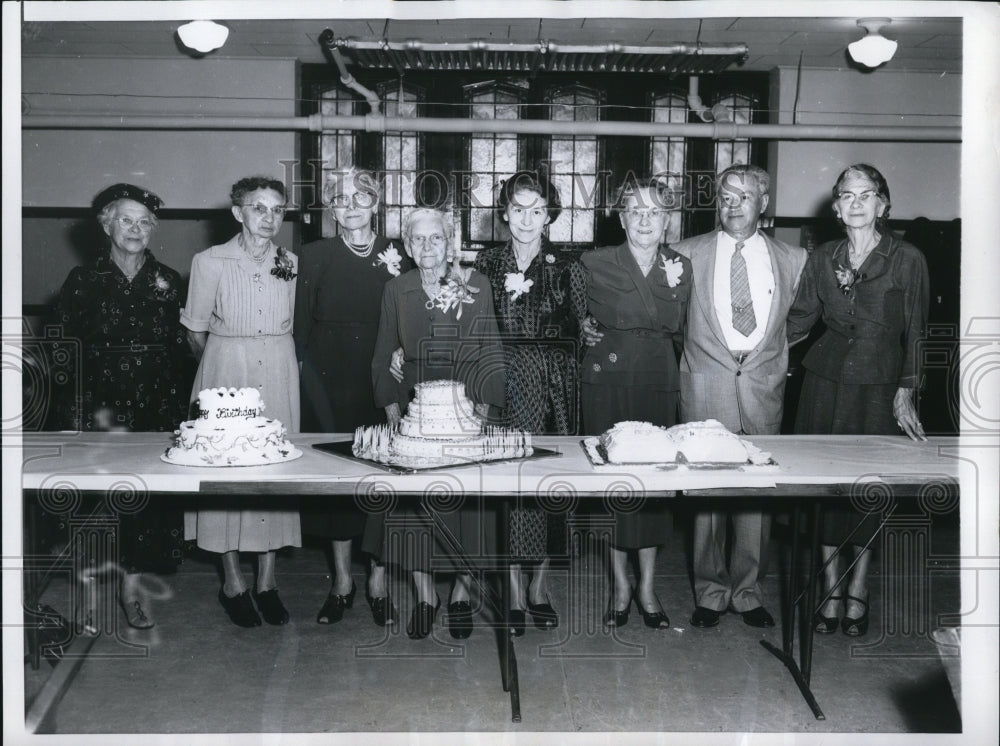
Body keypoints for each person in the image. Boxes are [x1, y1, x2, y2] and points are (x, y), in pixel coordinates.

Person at [787, 163, 928, 637]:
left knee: (868, 492)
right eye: (847, 195)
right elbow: (800, 320)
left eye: (866, 195)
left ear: (883, 205)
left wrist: (905, 392)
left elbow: (918, 333)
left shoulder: (907, 258)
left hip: (878, 386)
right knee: (824, 490)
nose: (857, 202)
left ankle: (858, 591)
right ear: (836, 206)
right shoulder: (823, 256)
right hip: (822, 384)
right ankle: (828, 590)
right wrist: (750, 351)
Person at [672, 163, 808, 630]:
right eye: (725, 197)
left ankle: (748, 592)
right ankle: (709, 592)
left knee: (755, 496)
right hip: (704, 389)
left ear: (763, 204)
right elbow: (670, 323)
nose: (732, 205)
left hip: (762, 389)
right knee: (708, 497)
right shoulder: (685, 254)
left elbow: (800, 322)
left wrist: (766, 357)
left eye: (743, 197)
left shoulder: (793, 260)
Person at [51, 182, 189, 630]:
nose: (135, 228)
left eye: (145, 221)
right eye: (126, 220)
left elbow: (184, 347)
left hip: (156, 401)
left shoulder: (170, 280)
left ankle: (131, 593)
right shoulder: (83, 279)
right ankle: (88, 596)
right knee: (95, 501)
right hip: (98, 404)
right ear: (107, 224)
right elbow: (61, 348)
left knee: (143, 500)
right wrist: (68, 412)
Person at [369, 206, 505, 640]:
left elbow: (491, 351)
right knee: (414, 511)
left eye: (436, 239)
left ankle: (461, 596)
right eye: (418, 240)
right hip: (416, 408)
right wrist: (392, 409)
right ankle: (425, 596)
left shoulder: (476, 285)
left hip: (465, 408)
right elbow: (382, 352)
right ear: (407, 246)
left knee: (468, 509)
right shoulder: (396, 289)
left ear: (451, 243)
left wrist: (485, 410)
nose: (427, 247)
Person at [181, 176, 300, 628]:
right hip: (226, 368)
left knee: (274, 473)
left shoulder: (289, 261)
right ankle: (232, 580)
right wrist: (225, 365)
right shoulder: (210, 261)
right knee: (227, 474)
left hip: (279, 370)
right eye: (258, 208)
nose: (268, 218)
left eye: (276, 210)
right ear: (238, 213)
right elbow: (194, 331)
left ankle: (268, 581)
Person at [295, 168, 411, 627]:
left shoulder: (399, 252)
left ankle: (378, 580)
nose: (351, 205)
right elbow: (301, 331)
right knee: (339, 478)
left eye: (361, 197)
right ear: (330, 207)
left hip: (384, 374)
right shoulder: (312, 254)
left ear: (376, 203)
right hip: (328, 378)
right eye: (340, 198)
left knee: (383, 477)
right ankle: (342, 581)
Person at [472, 170, 587, 635]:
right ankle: (515, 595)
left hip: (556, 386)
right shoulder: (487, 265)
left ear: (549, 216)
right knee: (513, 484)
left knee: (550, 485)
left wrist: (556, 366)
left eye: (536, 209)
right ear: (504, 214)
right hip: (504, 380)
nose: (525, 218)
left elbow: (581, 331)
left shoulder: (568, 266)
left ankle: (540, 588)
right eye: (517, 209)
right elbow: (475, 328)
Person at [580, 176, 692, 630]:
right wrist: (581, 328)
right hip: (607, 378)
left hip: (657, 379)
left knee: (654, 486)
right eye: (636, 211)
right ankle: (620, 586)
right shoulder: (594, 261)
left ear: (667, 221)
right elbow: (570, 317)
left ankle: (647, 586)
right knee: (613, 484)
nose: (645, 220)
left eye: (655, 212)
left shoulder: (681, 265)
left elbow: (687, 330)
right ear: (622, 219)